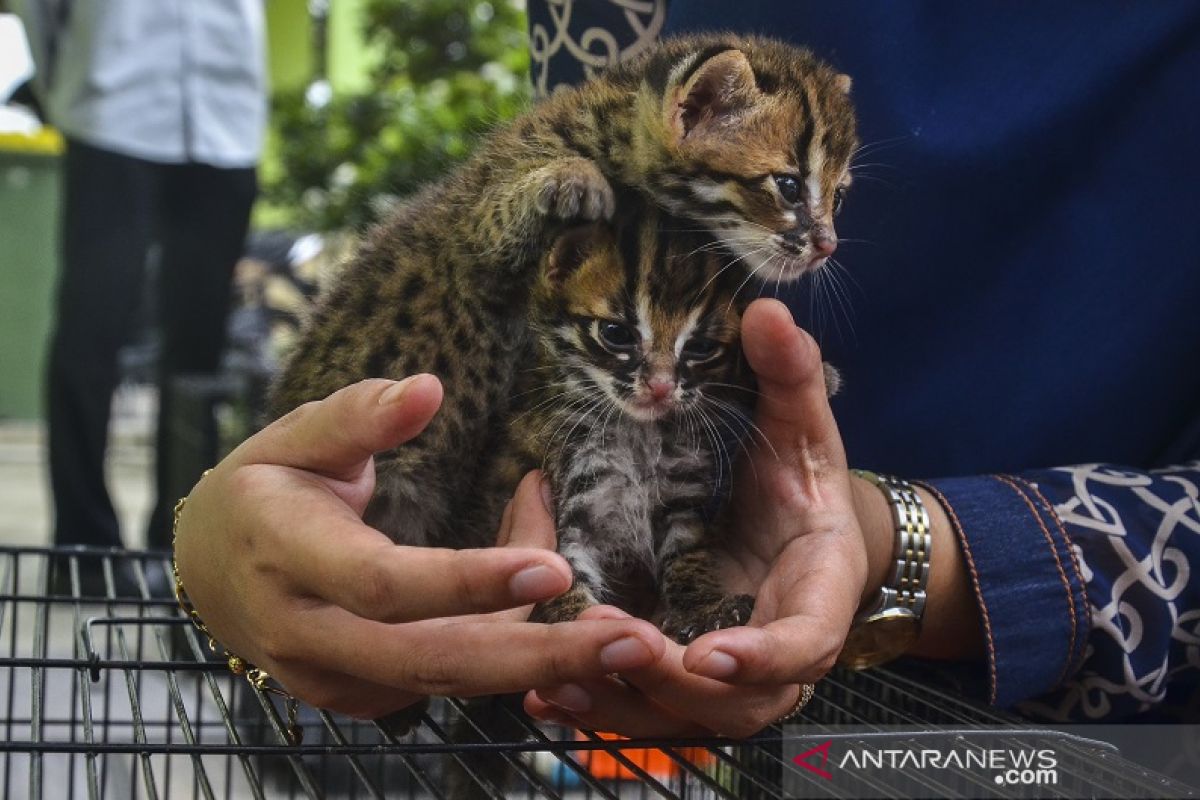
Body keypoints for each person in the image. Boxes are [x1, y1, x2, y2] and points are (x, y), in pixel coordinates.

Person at [174, 0, 1200, 735]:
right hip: (589, 664)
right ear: (691, 113)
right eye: (800, 193)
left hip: (1087, 726)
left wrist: (901, 549)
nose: (827, 239)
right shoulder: (604, 156)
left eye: (835, 197)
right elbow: (541, 303)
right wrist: (232, 552)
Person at [13, 0, 265, 552]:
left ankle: (177, 542)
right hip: (113, 107)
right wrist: (65, 87)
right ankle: (81, 542)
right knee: (91, 329)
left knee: (199, 347)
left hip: (229, 112)